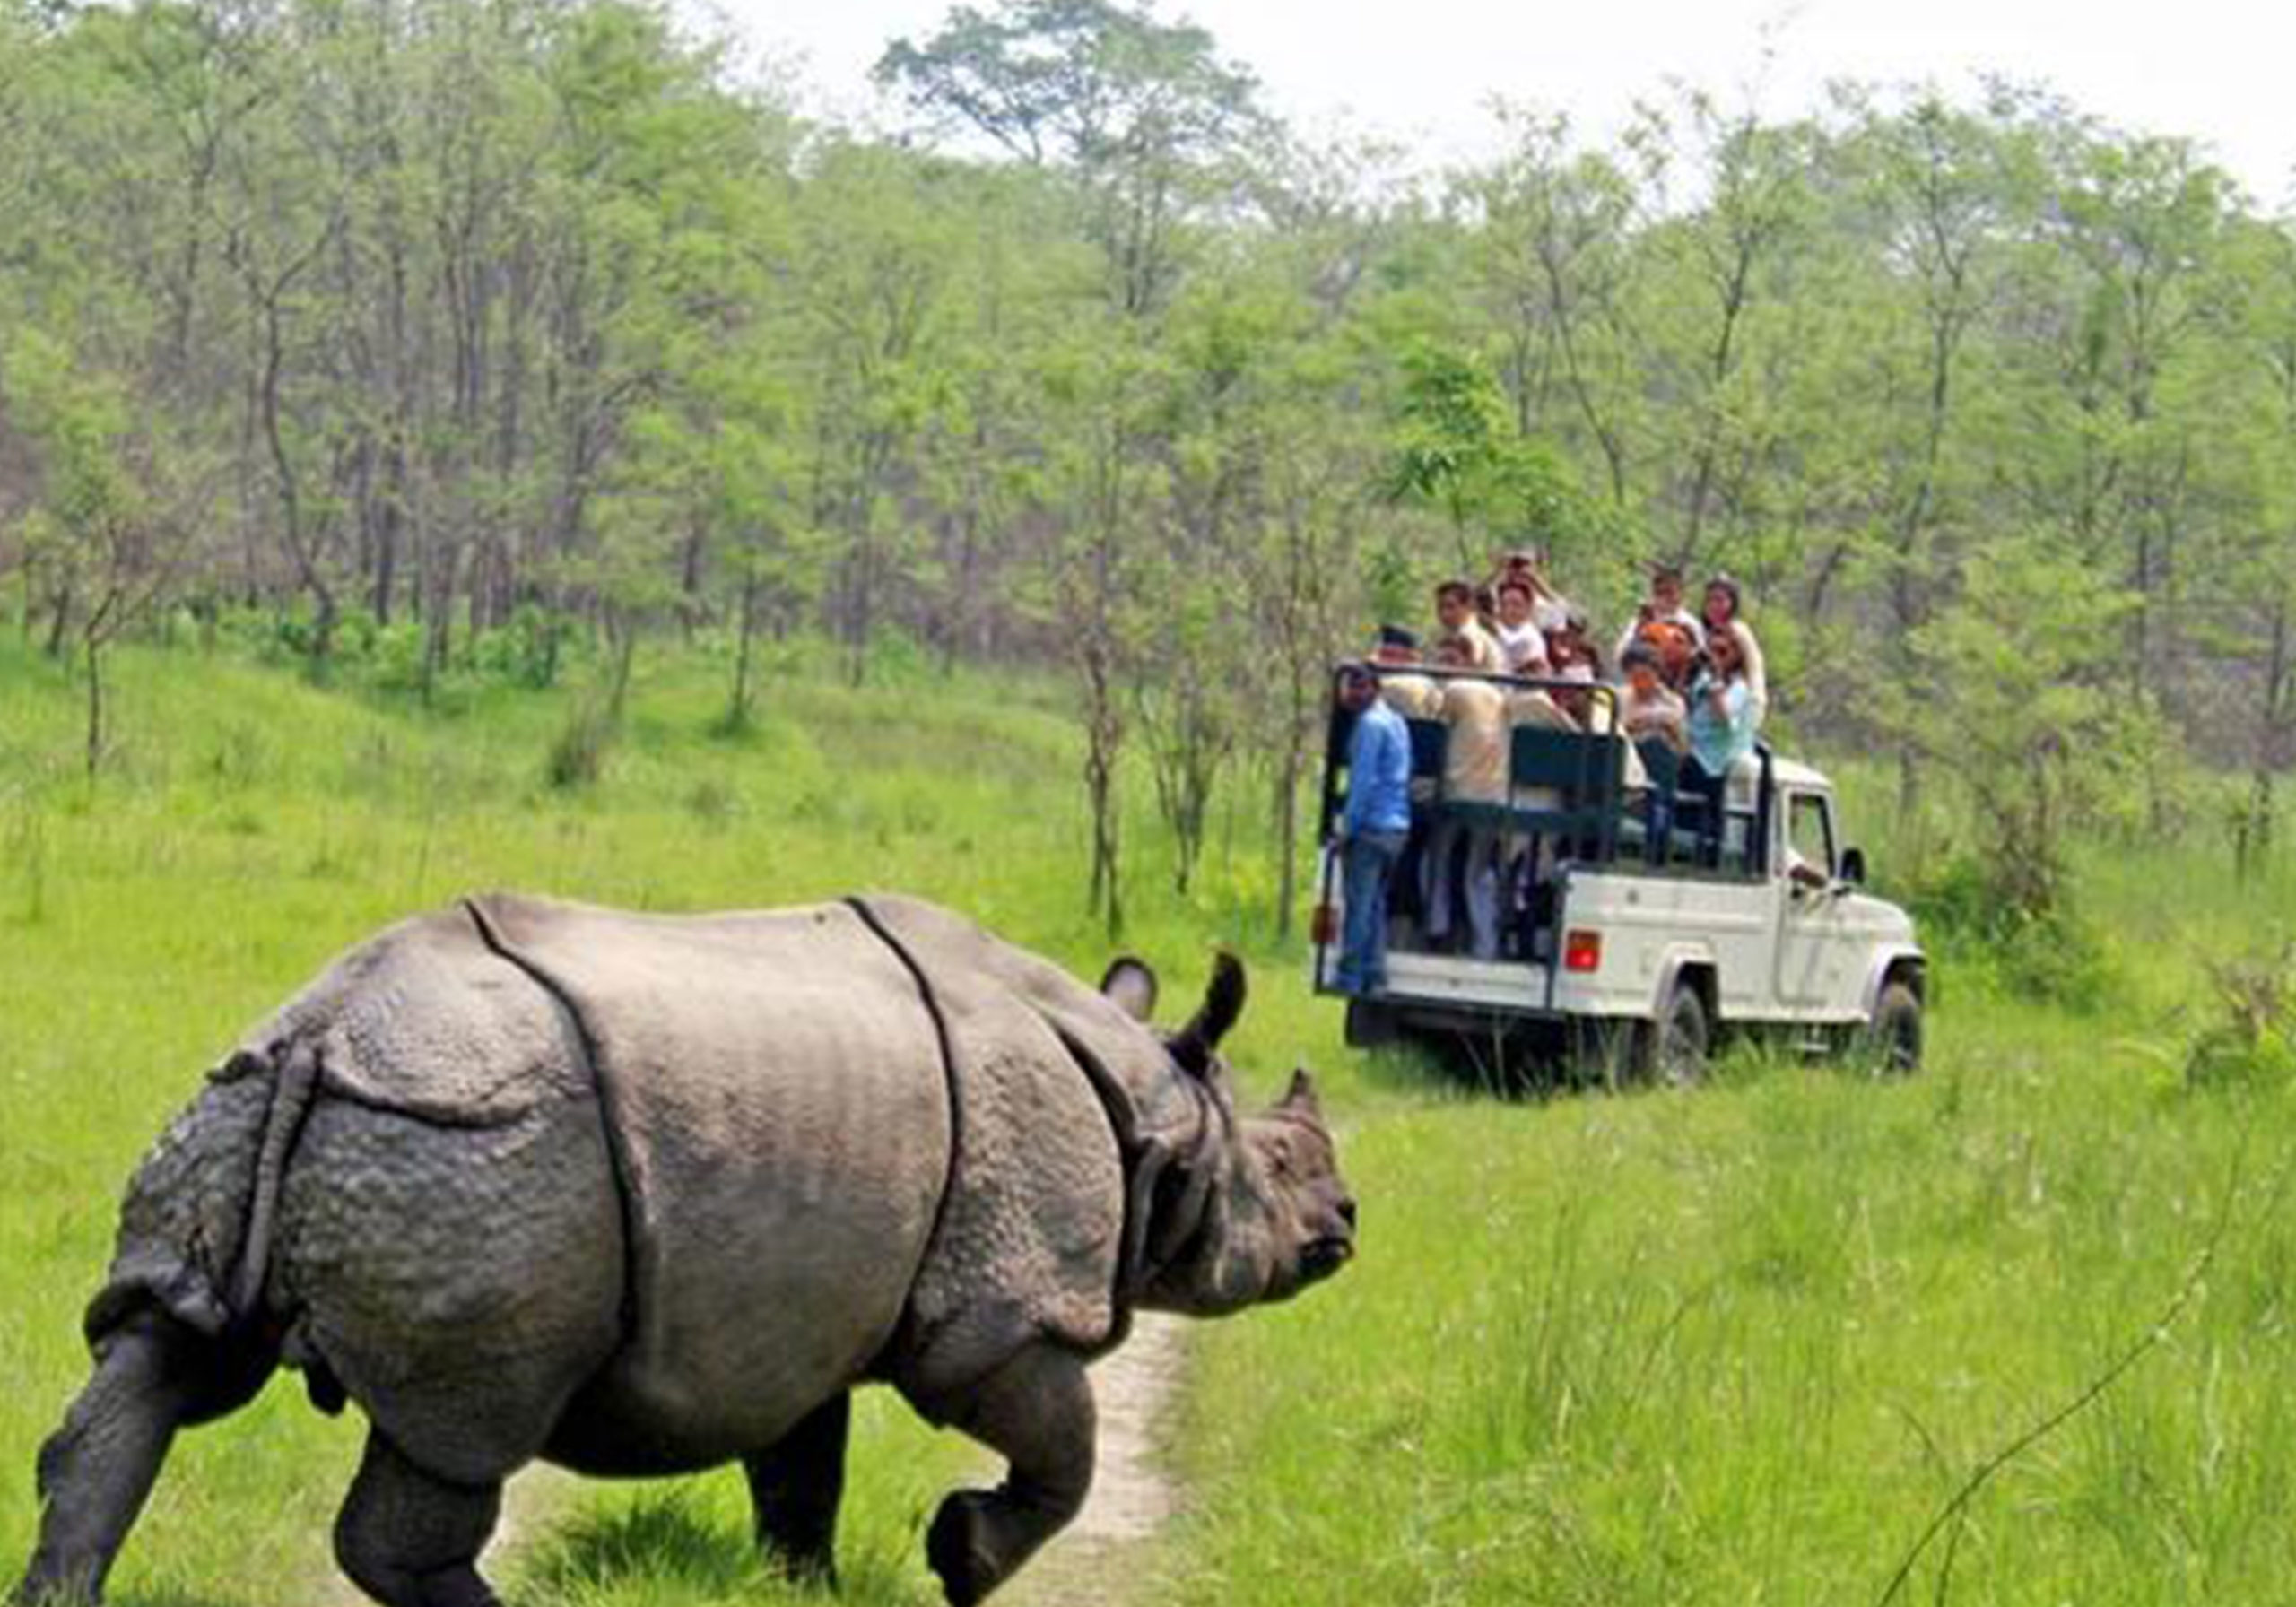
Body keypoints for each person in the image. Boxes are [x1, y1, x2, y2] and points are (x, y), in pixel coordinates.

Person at [1423, 636, 1509, 959]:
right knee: (1476, 870)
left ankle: (1437, 926)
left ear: (1468, 662)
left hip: (1459, 793)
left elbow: (1431, 722)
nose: (1445, 667)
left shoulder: (1453, 691)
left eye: (1451, 660)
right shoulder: (1497, 693)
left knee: (1435, 858)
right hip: (1495, 794)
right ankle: (1485, 943)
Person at [1332, 662, 1411, 995]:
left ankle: (1350, 977)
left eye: (1361, 686)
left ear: (1376, 688)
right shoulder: (1396, 722)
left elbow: (1361, 783)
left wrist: (1346, 829)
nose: (1354, 693)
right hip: (1396, 827)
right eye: (1351, 686)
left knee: (1360, 905)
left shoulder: (1370, 725)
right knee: (1376, 905)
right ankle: (1375, 975)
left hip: (1372, 826)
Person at [1683, 626, 1760, 867]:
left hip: (1714, 765)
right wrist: (1688, 669)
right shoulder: (1702, 679)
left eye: (1723, 651)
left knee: (1706, 827)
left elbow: (1723, 717)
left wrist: (1717, 680)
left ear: (1737, 654)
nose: (1716, 655)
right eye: (1711, 649)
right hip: (1691, 753)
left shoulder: (1741, 687)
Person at [1613, 560, 1706, 670]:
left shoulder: (1690, 623)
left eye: (1670, 592)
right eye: (1660, 592)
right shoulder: (1641, 621)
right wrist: (1639, 631)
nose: (1665, 598)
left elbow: (1701, 657)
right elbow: (1620, 655)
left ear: (1680, 593)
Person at [1701, 573, 1768, 719]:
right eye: (1709, 600)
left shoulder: (1738, 630)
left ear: (1732, 602)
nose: (1714, 606)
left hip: (1739, 704)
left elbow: (1753, 668)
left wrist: (1756, 702)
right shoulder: (1702, 632)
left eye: (1720, 600)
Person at [1617, 640, 1686, 751]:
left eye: (1645, 675)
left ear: (1657, 672)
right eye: (1634, 676)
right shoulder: (1618, 698)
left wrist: (1669, 727)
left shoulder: (1673, 702)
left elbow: (1683, 746)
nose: (1640, 682)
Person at [1432, 578, 1500, 671]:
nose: (1445, 614)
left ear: (1469, 606)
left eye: (1450, 607)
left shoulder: (1472, 635)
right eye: (1441, 607)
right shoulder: (1444, 635)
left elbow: (1471, 665)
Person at [1491, 577, 1550, 677]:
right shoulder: (1491, 630)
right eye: (1504, 604)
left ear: (1528, 606)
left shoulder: (1531, 637)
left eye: (1516, 604)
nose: (1509, 610)